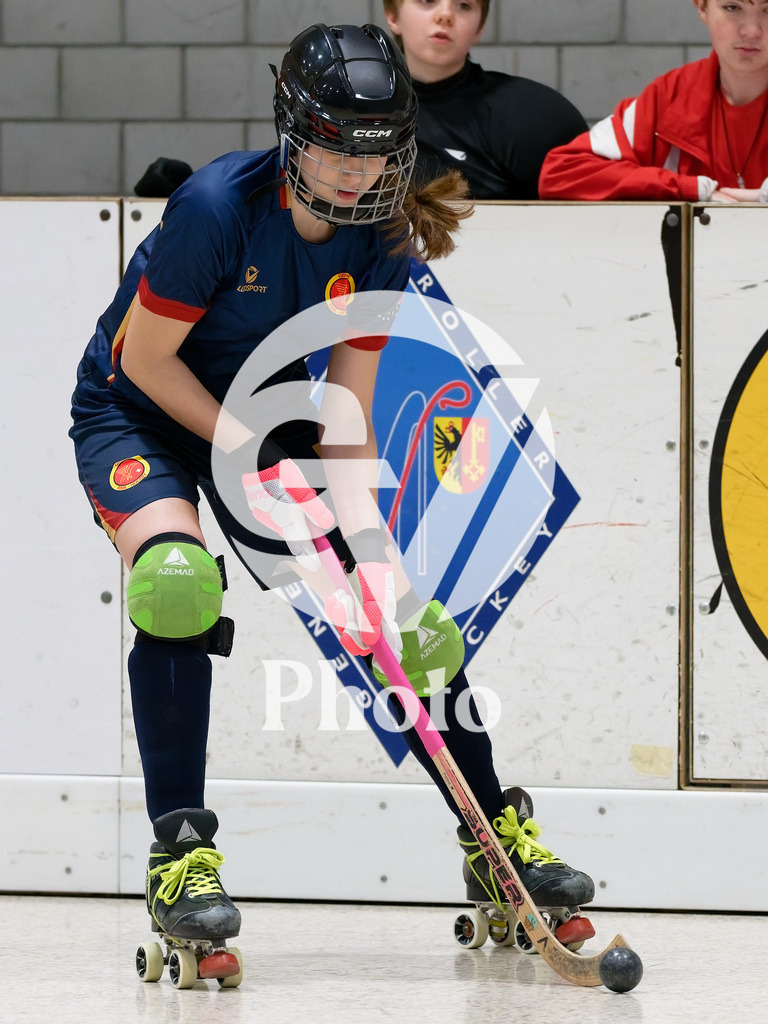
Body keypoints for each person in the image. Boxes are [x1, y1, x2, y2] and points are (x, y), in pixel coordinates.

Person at [70, 23, 594, 975]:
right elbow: (143, 362)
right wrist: (242, 445)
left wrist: (376, 559)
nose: (358, 175)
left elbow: (348, 409)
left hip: (274, 411)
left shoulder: (382, 231)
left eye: (378, 152)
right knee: (178, 584)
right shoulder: (217, 205)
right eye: (337, 151)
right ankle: (182, 855)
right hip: (139, 410)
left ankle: (494, 839)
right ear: (293, 131)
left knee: (403, 614)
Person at [539, 0, 768, 202]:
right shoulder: (671, 96)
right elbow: (561, 174)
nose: (751, 30)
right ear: (701, 6)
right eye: (733, 8)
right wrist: (684, 188)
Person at [382, 0, 588, 199]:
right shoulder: (359, 110)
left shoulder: (530, 113)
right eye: (427, 0)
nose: (445, 15)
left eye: (464, 5)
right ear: (393, 16)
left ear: (479, 28)